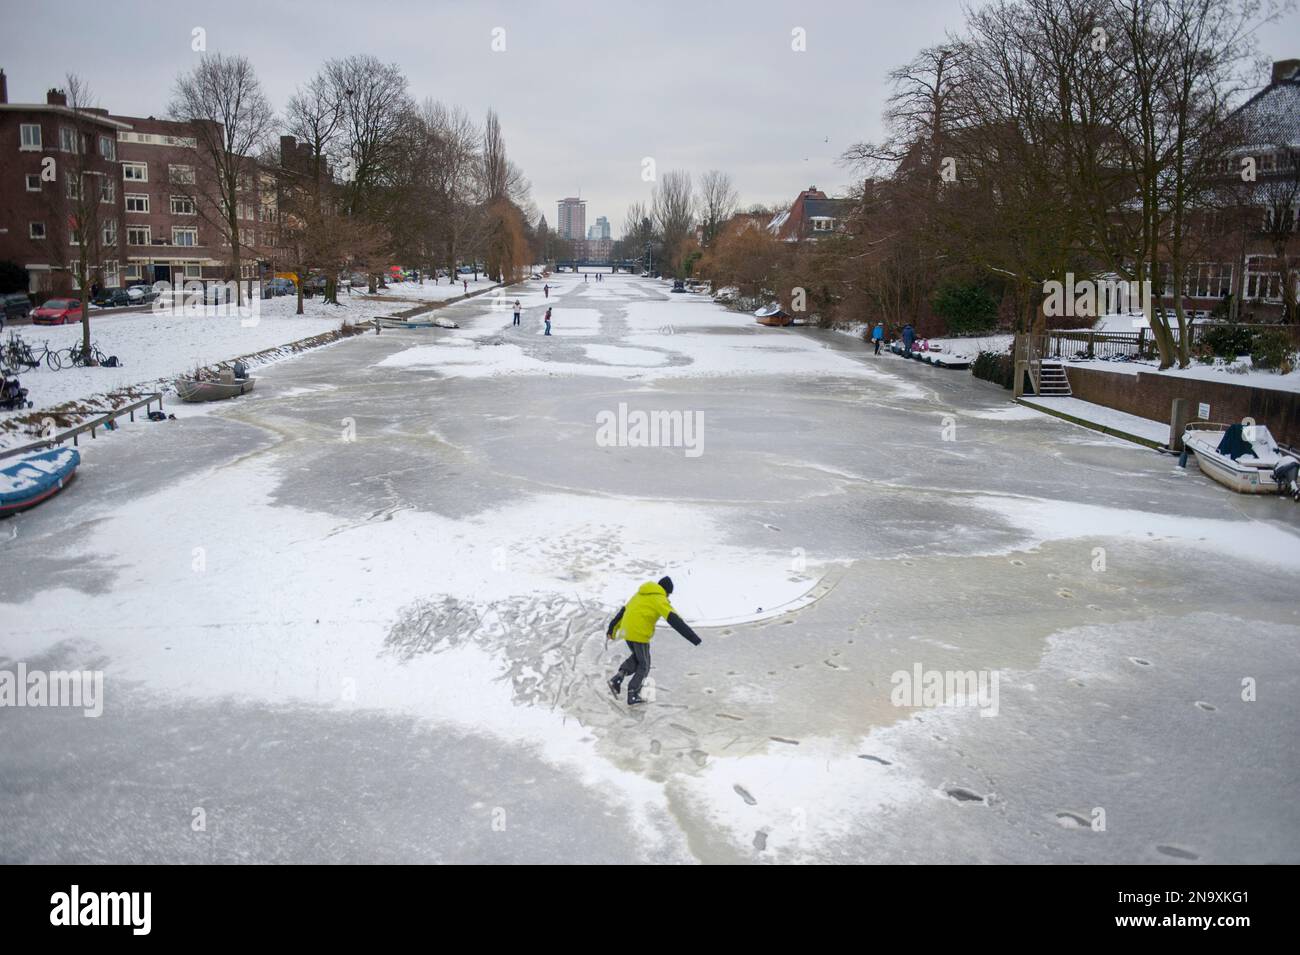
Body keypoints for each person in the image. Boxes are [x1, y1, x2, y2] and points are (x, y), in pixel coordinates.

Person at [606, 576, 701, 706]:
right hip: (639, 633)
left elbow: (623, 612)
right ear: (666, 591)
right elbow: (674, 619)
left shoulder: (639, 594)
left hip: (627, 631)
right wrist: (693, 638)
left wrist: (611, 629)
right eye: (668, 593)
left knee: (638, 658)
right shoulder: (659, 599)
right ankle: (633, 693)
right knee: (644, 664)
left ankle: (618, 678)